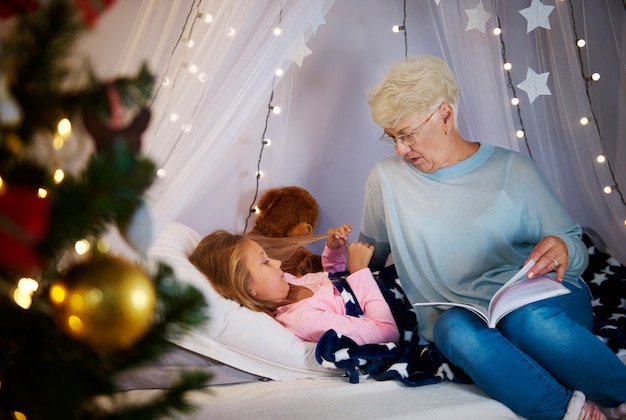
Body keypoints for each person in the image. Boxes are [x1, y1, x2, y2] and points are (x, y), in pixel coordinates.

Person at [359, 55, 626, 420]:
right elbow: (369, 256)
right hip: (464, 316)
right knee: (451, 329)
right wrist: (340, 269)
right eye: (392, 137)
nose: (400, 150)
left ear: (445, 115)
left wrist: (563, 247)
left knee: (524, 320)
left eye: (406, 134)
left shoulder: (513, 170)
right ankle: (573, 413)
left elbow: (574, 250)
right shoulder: (386, 179)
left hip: (541, 301)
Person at [188, 224, 400, 346]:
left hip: (389, 281)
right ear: (248, 288)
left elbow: (335, 288)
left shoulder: (287, 283)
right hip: (404, 308)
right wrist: (359, 272)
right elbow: (387, 332)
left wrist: (334, 251)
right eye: (265, 261)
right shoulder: (304, 320)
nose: (278, 263)